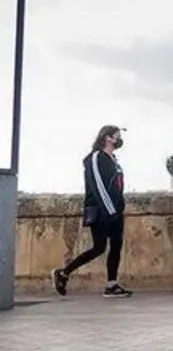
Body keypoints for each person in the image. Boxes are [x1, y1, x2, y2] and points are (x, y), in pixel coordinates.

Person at [52, 125, 133, 298]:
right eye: (117, 136)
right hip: (102, 211)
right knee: (99, 247)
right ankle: (64, 273)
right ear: (107, 138)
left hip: (115, 210)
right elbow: (98, 186)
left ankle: (111, 285)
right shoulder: (96, 158)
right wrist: (110, 211)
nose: (119, 140)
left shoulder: (113, 159)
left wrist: (118, 208)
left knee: (116, 246)